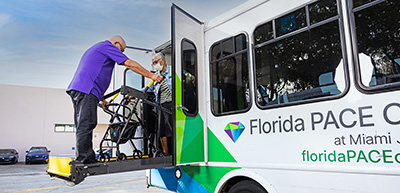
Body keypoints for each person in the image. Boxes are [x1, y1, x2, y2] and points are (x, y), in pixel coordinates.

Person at [66, 35, 163, 164]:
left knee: (82, 124)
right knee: (87, 123)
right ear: (116, 43)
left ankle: (84, 156)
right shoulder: (108, 46)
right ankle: (84, 159)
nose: (121, 53)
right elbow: (129, 64)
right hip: (86, 90)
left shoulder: (98, 48)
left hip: (82, 88)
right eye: (121, 50)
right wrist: (151, 75)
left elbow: (94, 73)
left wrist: (102, 100)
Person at [146, 52, 172, 156]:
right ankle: (166, 152)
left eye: (155, 62)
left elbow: (185, 76)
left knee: (172, 129)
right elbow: (147, 89)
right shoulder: (156, 77)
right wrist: (132, 94)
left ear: (162, 60)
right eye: (153, 63)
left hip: (172, 104)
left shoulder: (173, 70)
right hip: (161, 105)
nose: (155, 65)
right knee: (162, 131)